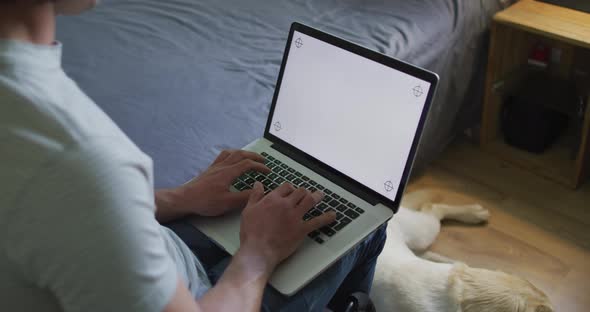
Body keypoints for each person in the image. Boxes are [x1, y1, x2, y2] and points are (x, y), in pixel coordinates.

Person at [0, 1, 386, 311]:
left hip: (148, 256)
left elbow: (59, 215)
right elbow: (74, 192)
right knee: (363, 228)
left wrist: (180, 198)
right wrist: (257, 253)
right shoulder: (78, 157)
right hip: (203, 296)